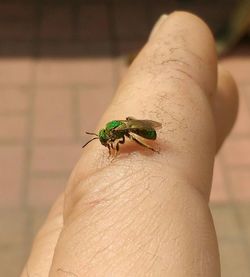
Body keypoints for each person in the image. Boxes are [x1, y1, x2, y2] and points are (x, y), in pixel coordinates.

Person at [21, 12, 238, 276]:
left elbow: (124, 133)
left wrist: (144, 146)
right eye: (105, 140)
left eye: (105, 140)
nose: (107, 143)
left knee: (134, 135)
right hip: (138, 126)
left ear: (109, 136)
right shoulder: (111, 134)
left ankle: (148, 147)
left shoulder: (119, 133)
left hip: (144, 131)